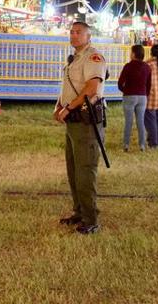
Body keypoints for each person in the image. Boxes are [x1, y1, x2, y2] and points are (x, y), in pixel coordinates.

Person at [54, 21, 107, 234]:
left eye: (78, 32)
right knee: (73, 170)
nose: (74, 35)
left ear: (88, 36)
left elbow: (91, 88)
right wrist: (58, 105)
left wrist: (68, 108)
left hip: (86, 121)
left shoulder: (94, 57)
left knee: (85, 171)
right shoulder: (75, 59)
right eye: (72, 32)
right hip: (72, 121)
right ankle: (79, 211)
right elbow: (68, 87)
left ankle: (91, 218)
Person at [117, 44, 151, 152]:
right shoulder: (147, 67)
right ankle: (142, 145)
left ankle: (126, 145)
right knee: (140, 121)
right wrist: (145, 94)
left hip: (129, 96)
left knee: (129, 122)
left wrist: (126, 91)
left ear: (134, 54)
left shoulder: (128, 66)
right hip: (142, 97)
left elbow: (120, 83)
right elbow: (149, 84)